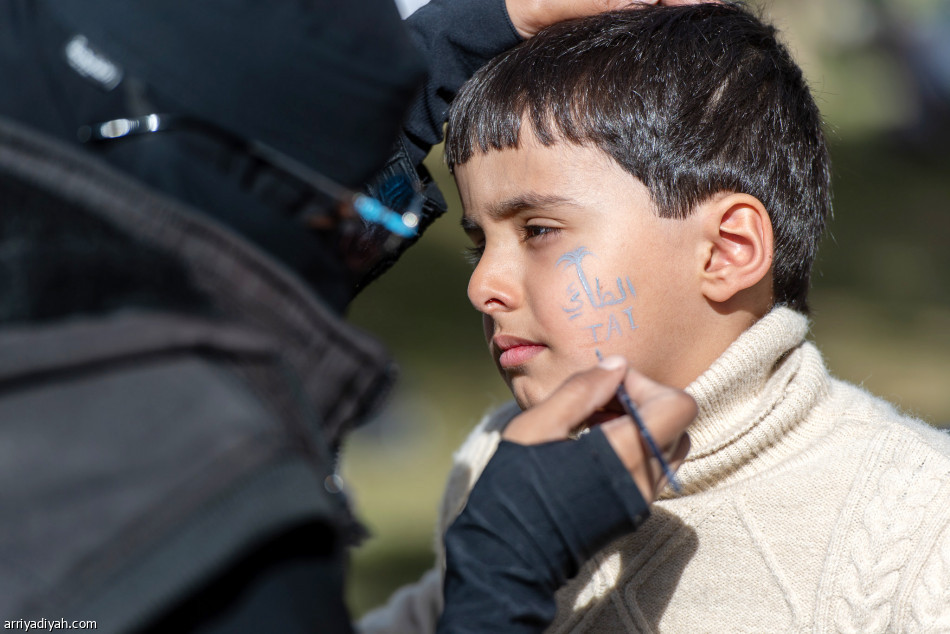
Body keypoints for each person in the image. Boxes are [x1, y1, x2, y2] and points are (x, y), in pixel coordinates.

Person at [0, 0, 699, 632]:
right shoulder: (199, 553)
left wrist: (468, 33)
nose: (482, 285)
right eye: (342, 224)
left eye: (540, 229)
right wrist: (500, 577)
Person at [359, 4, 950, 632]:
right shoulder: (506, 469)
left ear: (728, 250)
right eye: (480, 242)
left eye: (538, 230)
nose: (481, 286)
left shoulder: (917, 535)